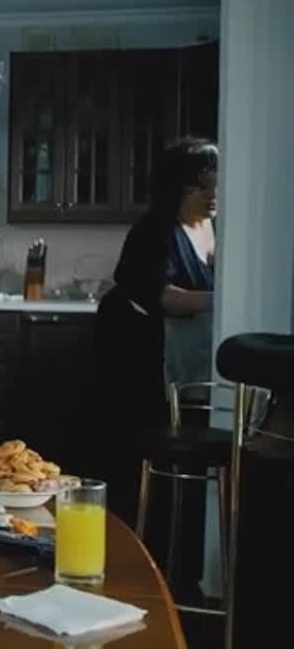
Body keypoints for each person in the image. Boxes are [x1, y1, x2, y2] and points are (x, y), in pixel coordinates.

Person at [93, 136, 218, 584]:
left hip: (186, 366)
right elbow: (164, 297)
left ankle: (180, 565)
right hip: (140, 361)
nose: (213, 192)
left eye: (215, 182)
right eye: (202, 185)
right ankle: (139, 566)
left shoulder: (216, 228)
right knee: (142, 462)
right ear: (178, 188)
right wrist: (223, 297)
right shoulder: (154, 232)